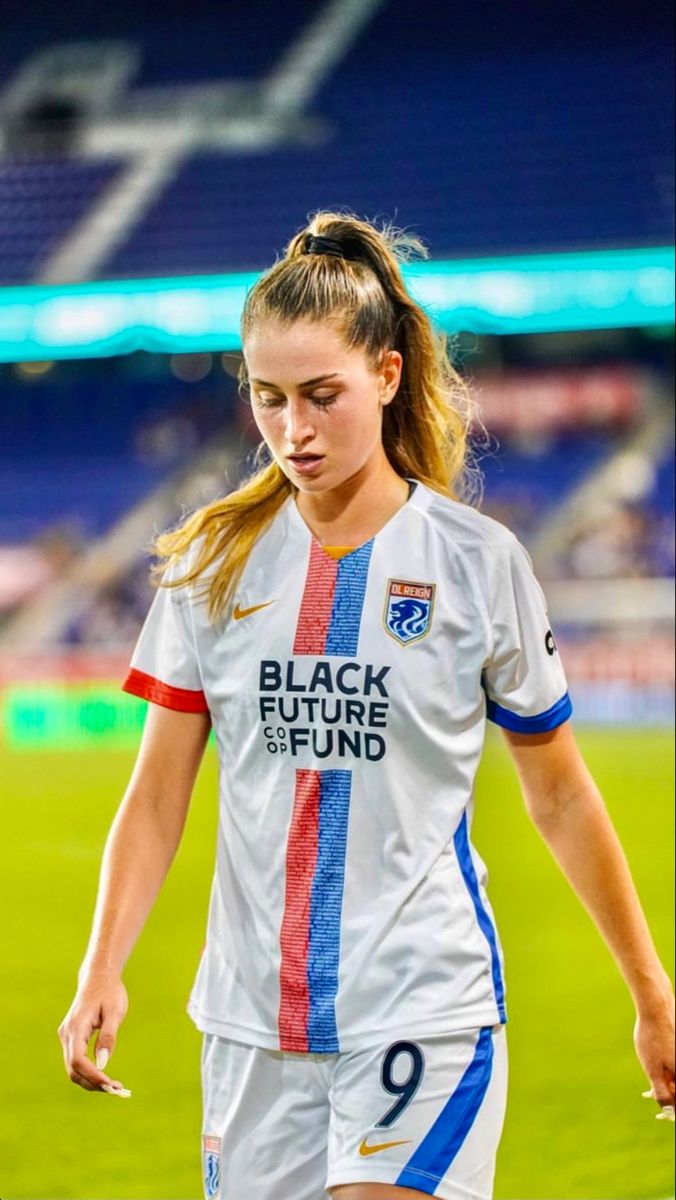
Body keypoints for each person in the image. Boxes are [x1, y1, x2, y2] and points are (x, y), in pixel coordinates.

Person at [58, 213, 675, 1200]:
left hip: (422, 1007)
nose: (293, 431)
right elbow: (157, 795)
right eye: (268, 400)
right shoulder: (209, 566)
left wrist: (650, 990)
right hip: (249, 1026)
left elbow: (560, 796)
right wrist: (103, 967)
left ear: (386, 376)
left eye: (320, 396)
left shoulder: (478, 564)